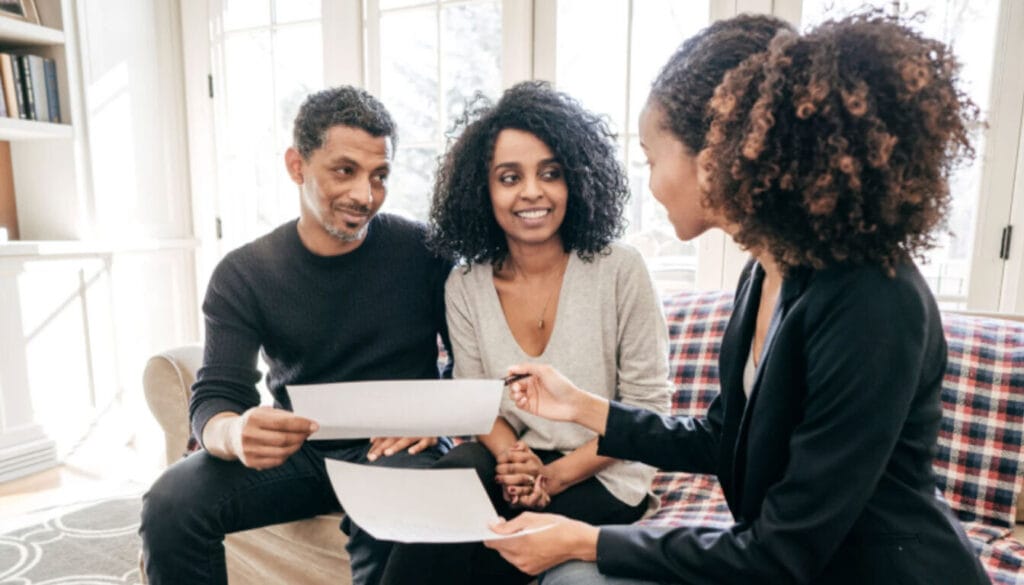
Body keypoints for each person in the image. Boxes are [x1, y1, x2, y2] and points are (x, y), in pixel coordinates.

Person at [485, 12, 991, 585]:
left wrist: (586, 540)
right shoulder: (766, 270)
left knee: (574, 576)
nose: (650, 185)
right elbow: (722, 437)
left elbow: (781, 554)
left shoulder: (872, 301)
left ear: (716, 154)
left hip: (880, 574)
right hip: (791, 565)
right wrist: (581, 406)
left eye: (653, 159)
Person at [139, 86, 454, 585]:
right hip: (302, 446)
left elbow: (471, 359)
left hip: (398, 446)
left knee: (399, 519)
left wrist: (435, 416)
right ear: (297, 165)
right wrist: (232, 432)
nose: (365, 195)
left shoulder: (424, 252)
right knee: (170, 502)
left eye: (380, 176)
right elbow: (217, 394)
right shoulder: (244, 273)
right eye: (344, 170)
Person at [379, 81, 673, 585]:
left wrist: (551, 477)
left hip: (604, 470)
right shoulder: (465, 284)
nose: (532, 192)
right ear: (483, 190)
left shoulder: (620, 269)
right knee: (449, 486)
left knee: (493, 546)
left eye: (550, 174)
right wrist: (516, 461)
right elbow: (479, 405)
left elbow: (646, 411)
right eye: (509, 177)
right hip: (514, 462)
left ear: (575, 181)